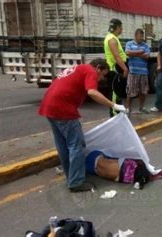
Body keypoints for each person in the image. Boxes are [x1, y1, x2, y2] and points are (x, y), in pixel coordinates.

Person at [38, 58, 128, 192]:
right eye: (102, 75)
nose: (101, 79)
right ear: (98, 68)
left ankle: (71, 176)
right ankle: (76, 182)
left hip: (49, 106)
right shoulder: (90, 71)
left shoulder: (78, 68)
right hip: (63, 109)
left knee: (63, 145)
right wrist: (113, 105)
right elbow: (92, 92)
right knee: (76, 145)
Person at [104, 18, 128, 117]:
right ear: (117, 27)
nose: (122, 29)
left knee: (117, 92)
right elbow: (116, 56)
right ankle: (114, 114)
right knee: (114, 93)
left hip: (117, 68)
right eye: (121, 27)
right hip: (115, 69)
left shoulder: (111, 37)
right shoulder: (112, 39)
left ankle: (118, 112)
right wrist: (125, 69)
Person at [125, 28, 151, 114]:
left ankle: (141, 107)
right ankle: (128, 108)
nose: (142, 37)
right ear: (135, 35)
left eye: (142, 36)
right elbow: (128, 53)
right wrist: (140, 52)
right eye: (140, 36)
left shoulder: (145, 45)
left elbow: (147, 56)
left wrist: (134, 53)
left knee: (143, 91)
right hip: (133, 72)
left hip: (143, 72)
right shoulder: (129, 43)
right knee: (130, 91)